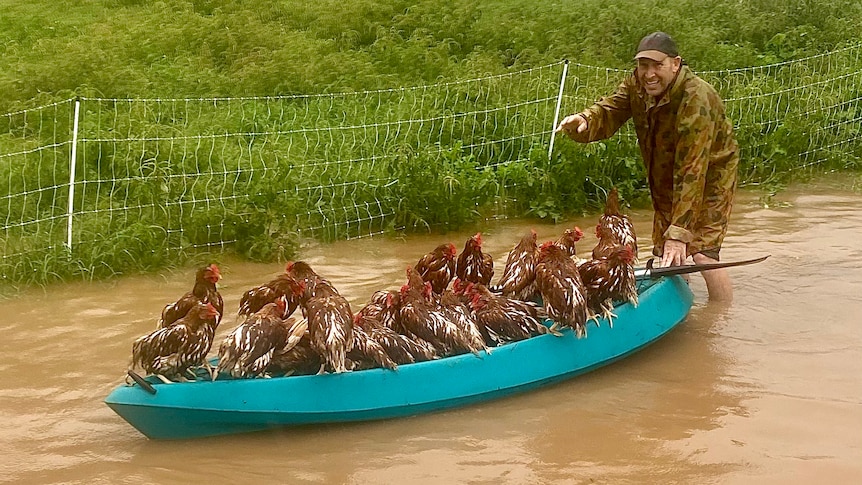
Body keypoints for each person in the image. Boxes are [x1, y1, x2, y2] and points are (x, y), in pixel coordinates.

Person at [555, 32, 738, 301]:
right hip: (664, 171)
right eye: (643, 66)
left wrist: (680, 233)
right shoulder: (635, 86)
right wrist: (585, 119)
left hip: (711, 174)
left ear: (675, 64)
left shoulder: (696, 97)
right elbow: (611, 109)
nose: (649, 74)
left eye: (657, 66)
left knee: (701, 252)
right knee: (667, 253)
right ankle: (679, 312)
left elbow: (692, 168)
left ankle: (719, 319)